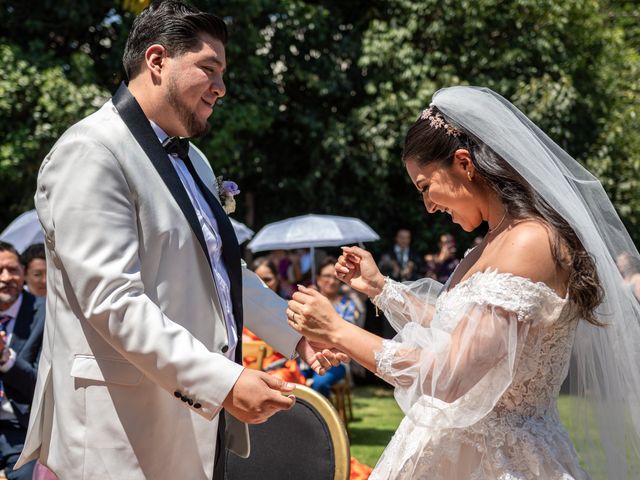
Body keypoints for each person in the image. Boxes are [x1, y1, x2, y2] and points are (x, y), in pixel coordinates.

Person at [14, 2, 343, 479]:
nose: (221, 88)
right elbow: (113, 301)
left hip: (188, 425)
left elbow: (222, 271)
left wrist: (295, 335)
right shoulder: (91, 152)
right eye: (209, 69)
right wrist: (224, 382)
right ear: (157, 61)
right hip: (118, 431)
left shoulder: (196, 161)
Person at [287, 86, 640, 478]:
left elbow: (452, 373)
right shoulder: (486, 245)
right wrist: (380, 289)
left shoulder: (530, 242)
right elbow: (454, 329)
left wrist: (337, 330)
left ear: (464, 163)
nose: (428, 206)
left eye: (426, 187)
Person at [0, 242, 45, 480]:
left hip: (23, 433)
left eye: (13, 270)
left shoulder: (45, 314)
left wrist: (5, 359)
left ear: (23, 273)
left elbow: (43, 386)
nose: (6, 278)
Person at [302, 258, 358, 397]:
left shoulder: (347, 304)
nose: (332, 281)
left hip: (335, 362)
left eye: (335, 277)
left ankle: (322, 417)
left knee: (319, 384)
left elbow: (347, 336)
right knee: (289, 379)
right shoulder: (307, 301)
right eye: (327, 276)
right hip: (304, 360)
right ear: (318, 279)